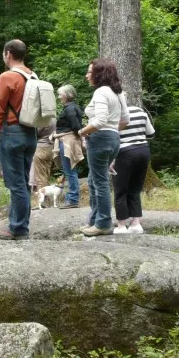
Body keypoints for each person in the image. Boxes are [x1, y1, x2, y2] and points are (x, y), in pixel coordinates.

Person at [78, 59, 130, 236]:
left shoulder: (101, 92)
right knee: (94, 180)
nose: (87, 75)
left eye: (89, 72)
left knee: (100, 183)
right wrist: (112, 132)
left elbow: (99, 121)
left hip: (100, 139)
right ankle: (94, 220)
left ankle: (103, 224)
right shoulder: (118, 93)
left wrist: (82, 132)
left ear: (99, 74)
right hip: (114, 138)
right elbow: (125, 120)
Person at [0, 39, 37, 240]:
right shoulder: (33, 76)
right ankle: (21, 225)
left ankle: (17, 228)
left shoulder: (7, 76)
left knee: (16, 183)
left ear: (8, 53)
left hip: (12, 133)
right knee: (24, 182)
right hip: (31, 134)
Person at [113, 106, 155, 234]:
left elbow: (111, 137)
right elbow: (151, 134)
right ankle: (136, 224)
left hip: (124, 152)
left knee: (120, 190)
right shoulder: (139, 111)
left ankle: (121, 225)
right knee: (135, 188)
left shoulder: (114, 113)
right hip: (143, 150)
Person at [54, 85, 84, 209]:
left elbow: (76, 126)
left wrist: (79, 137)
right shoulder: (73, 107)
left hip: (67, 141)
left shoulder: (69, 109)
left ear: (65, 95)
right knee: (71, 170)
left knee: (69, 171)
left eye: (60, 94)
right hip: (70, 140)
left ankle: (72, 199)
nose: (59, 96)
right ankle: (72, 198)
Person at [29, 119, 56, 200]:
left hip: (41, 147)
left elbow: (35, 133)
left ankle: (42, 201)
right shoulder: (53, 119)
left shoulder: (42, 120)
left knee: (40, 177)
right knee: (46, 174)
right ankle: (48, 199)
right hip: (51, 147)